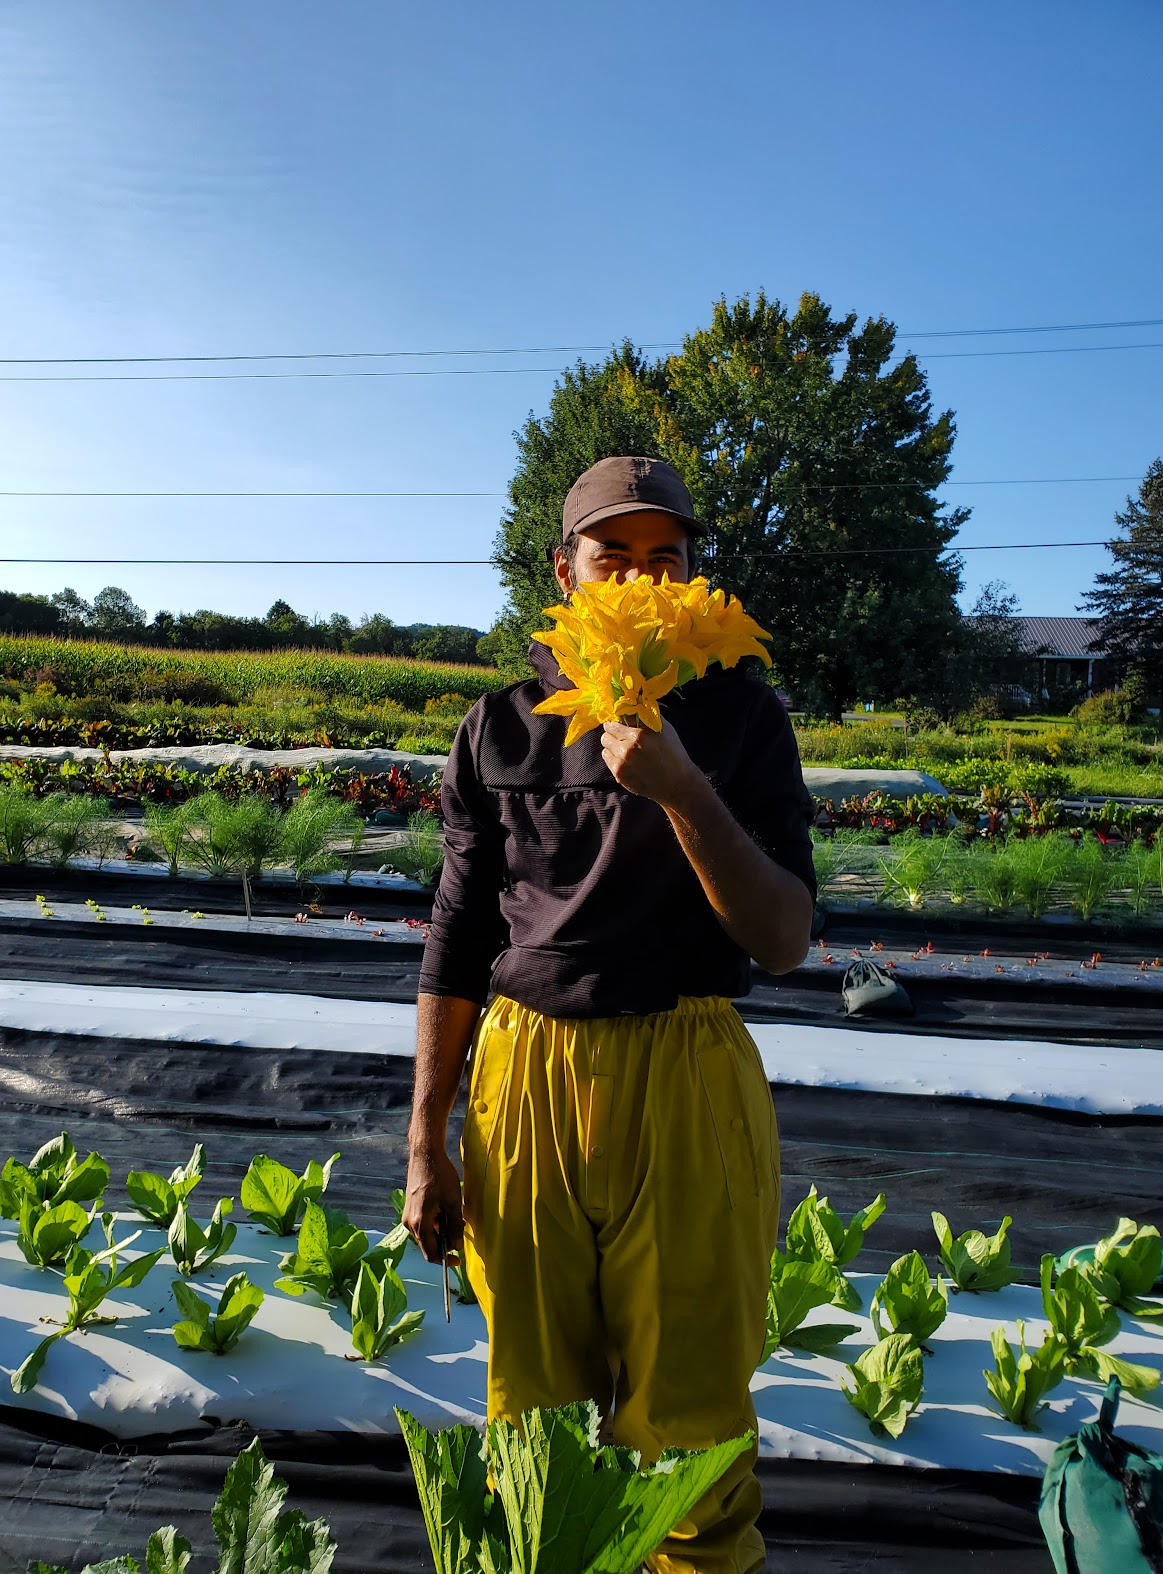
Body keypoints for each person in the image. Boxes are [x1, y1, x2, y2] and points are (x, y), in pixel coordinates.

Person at [403, 455, 817, 1573]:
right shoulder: (501, 726)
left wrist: (684, 788)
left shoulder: (736, 714)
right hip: (524, 1070)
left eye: (665, 558)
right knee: (529, 1412)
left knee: (690, 1425)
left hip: (684, 1066)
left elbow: (782, 938)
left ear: (693, 579)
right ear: (566, 572)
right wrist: (424, 1141)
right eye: (613, 555)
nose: (642, 576)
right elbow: (456, 935)